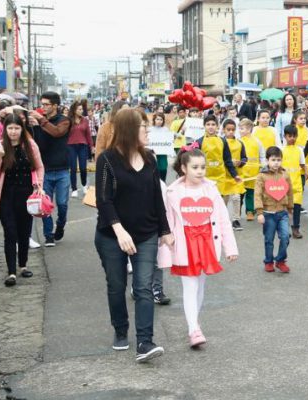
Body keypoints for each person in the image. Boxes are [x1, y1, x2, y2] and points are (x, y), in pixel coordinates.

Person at [95, 108, 173, 363]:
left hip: (146, 233)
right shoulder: (107, 159)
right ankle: (120, 329)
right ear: (130, 130)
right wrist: (119, 231)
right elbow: (103, 200)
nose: (148, 131)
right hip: (111, 235)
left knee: (143, 287)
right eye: (143, 127)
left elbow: (156, 199)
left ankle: (144, 342)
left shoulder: (149, 158)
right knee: (117, 286)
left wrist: (165, 230)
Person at [159, 148, 238, 348]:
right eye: (195, 167)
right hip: (184, 243)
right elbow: (166, 220)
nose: (200, 171)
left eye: (203, 167)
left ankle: (194, 322)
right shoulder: (173, 192)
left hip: (207, 242)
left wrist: (230, 247)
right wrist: (164, 242)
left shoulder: (211, 189)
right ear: (184, 168)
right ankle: (193, 328)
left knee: (200, 285)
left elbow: (223, 219)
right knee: (190, 286)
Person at [0, 114, 43, 287]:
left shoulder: (30, 145)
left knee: (24, 231)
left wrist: (39, 185)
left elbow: (39, 166)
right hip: (5, 196)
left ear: (22, 129)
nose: (13, 132)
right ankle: (11, 272)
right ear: (5, 129)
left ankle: (23, 265)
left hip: (26, 195)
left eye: (16, 128)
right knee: (10, 232)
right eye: (10, 128)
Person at [30, 91, 72, 247]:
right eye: (42, 104)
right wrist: (32, 124)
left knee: (62, 204)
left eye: (46, 104)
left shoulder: (64, 121)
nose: (43, 107)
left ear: (55, 105)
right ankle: (48, 235)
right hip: (45, 170)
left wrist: (40, 119)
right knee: (45, 204)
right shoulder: (38, 122)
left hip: (62, 170)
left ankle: (60, 224)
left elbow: (57, 132)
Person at [254, 146, 294, 272]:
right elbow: (257, 194)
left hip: (282, 213)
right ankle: (269, 261)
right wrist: (259, 212)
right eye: (273, 160)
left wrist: (290, 209)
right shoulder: (262, 176)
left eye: (278, 160)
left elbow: (290, 192)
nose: (276, 162)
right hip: (268, 213)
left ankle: (281, 260)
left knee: (285, 236)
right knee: (269, 240)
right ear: (267, 160)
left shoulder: (285, 174)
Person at [216, 119, 246, 231]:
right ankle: (222, 219)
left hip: (236, 176)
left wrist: (240, 162)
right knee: (224, 199)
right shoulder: (220, 142)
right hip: (223, 175)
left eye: (233, 130)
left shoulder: (239, 143)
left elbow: (244, 157)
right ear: (223, 130)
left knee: (236, 198)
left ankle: (236, 220)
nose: (231, 132)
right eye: (228, 130)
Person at [239, 118, 265, 221]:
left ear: (249, 129)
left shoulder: (257, 141)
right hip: (241, 171)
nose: (240, 131)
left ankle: (250, 211)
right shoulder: (238, 141)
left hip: (253, 172)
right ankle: (238, 211)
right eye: (239, 128)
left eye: (242, 128)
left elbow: (262, 154)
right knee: (239, 193)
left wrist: (263, 165)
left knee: (251, 192)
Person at [282, 125, 306, 239]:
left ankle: (296, 228)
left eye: (294, 136)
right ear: (285, 136)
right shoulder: (281, 150)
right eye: (289, 136)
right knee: (284, 208)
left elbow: (302, 165)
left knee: (296, 207)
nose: (292, 138)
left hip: (296, 184)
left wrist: (306, 174)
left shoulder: (299, 150)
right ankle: (284, 229)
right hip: (283, 184)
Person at [67, 102, 93, 197]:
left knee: (83, 168)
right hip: (71, 146)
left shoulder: (85, 120)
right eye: (79, 109)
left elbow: (88, 135)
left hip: (83, 146)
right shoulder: (68, 120)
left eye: (82, 109)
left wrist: (92, 146)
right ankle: (74, 189)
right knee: (73, 168)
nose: (81, 111)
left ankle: (84, 185)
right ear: (74, 110)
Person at [148, 113, 171, 181]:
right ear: (154, 120)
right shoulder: (150, 129)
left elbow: (168, 141)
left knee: (163, 170)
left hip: (162, 153)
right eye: (157, 119)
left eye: (161, 119)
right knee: (153, 170)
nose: (159, 121)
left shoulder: (165, 129)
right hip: (152, 153)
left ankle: (163, 185)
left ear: (163, 121)